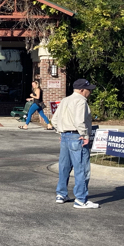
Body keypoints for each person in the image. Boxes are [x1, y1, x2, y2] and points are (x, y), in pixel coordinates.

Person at [53, 78, 98, 209]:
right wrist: (84, 135)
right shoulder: (81, 101)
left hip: (65, 136)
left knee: (64, 167)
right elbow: (79, 121)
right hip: (77, 137)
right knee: (82, 168)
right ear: (82, 90)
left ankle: (61, 194)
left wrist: (60, 131)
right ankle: (81, 199)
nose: (90, 92)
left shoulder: (65, 100)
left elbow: (54, 119)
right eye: (88, 89)